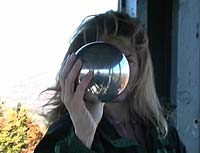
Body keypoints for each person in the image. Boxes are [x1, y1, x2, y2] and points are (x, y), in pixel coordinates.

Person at [34, 10, 186, 153]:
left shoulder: (162, 133)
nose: (115, 73)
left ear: (140, 66)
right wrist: (83, 136)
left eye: (126, 60)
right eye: (105, 60)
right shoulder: (66, 133)